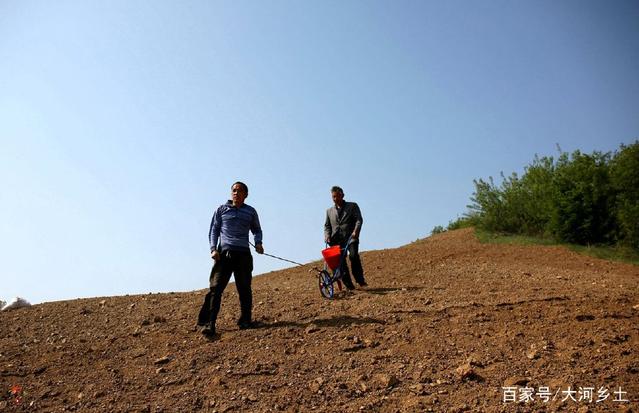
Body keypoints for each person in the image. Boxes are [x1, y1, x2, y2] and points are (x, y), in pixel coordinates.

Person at [197, 181, 264, 337]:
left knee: (244, 288)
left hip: (243, 254)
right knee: (216, 288)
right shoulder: (221, 210)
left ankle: (245, 320)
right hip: (223, 255)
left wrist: (259, 243)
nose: (236, 193)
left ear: (246, 194)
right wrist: (213, 249)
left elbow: (257, 229)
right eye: (234, 190)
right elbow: (213, 230)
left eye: (239, 191)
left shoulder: (251, 211)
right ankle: (209, 323)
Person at [324, 186, 367, 289]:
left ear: (342, 195)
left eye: (337, 196)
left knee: (353, 256)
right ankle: (349, 285)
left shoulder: (352, 206)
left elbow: (359, 220)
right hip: (336, 240)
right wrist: (327, 236)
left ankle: (360, 280)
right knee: (340, 263)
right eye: (333, 197)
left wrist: (356, 231)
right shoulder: (329, 211)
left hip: (351, 237)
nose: (335, 199)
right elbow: (327, 226)